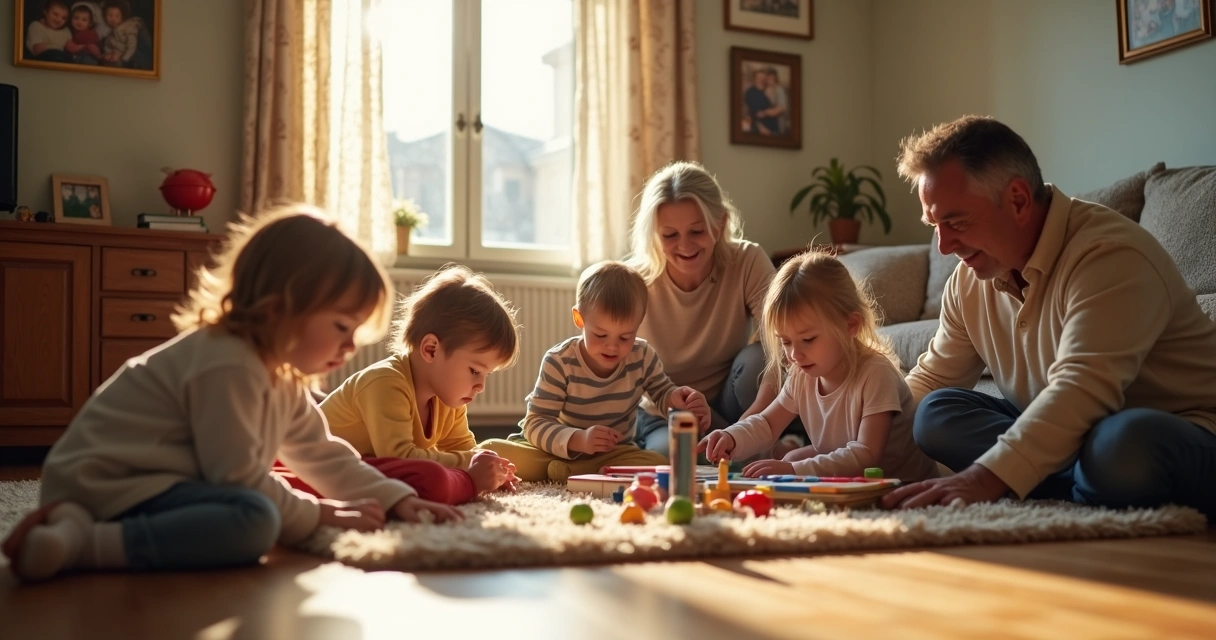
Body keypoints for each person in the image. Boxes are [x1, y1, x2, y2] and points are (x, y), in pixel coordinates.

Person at [0, 206, 462, 582]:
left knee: (259, 512)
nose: (349, 346)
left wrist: (396, 498)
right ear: (279, 308)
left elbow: (321, 453)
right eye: (342, 326)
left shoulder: (280, 376)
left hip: (153, 487)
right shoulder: (227, 362)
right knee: (255, 519)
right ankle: (86, 544)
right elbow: (236, 477)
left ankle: (80, 534)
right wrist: (320, 514)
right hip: (102, 484)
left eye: (356, 333)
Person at [880, 115, 1216, 519]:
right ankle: (1084, 484)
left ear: (1018, 200)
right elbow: (933, 378)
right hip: (1073, 433)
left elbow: (1083, 387)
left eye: (955, 222)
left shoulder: (1108, 254)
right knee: (936, 414)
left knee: (1120, 446)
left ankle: (1067, 478)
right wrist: (852, 450)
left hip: (1180, 428)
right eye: (934, 225)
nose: (944, 245)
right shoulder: (970, 279)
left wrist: (983, 478)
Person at [699, 250, 940, 482]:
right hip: (852, 477)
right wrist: (731, 437)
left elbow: (867, 454)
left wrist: (794, 469)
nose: (795, 354)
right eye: (785, 341)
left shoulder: (876, 373)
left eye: (808, 339)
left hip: (900, 483)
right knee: (792, 458)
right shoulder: (802, 374)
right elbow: (768, 423)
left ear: (850, 326)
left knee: (793, 463)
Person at [479, 261, 710, 481]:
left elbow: (661, 392)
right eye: (600, 335)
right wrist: (578, 439)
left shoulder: (642, 355)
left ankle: (570, 471)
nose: (612, 346)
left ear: (638, 324)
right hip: (557, 449)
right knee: (491, 450)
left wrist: (675, 397)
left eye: (625, 336)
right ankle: (573, 468)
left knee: (657, 461)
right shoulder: (559, 361)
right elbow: (535, 422)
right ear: (579, 319)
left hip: (614, 453)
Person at [319, 265, 521, 503]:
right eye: (475, 371)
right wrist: (472, 463)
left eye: (486, 375)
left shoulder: (448, 398)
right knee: (430, 476)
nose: (480, 386)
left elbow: (461, 447)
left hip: (369, 467)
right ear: (431, 349)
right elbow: (399, 457)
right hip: (323, 466)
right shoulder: (385, 382)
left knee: (430, 475)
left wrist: (491, 468)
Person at [627, 161, 787, 459]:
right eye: (670, 235)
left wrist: (751, 427)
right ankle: (760, 452)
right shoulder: (633, 282)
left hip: (731, 398)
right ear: (654, 235)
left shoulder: (747, 260)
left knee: (758, 359)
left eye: (697, 231)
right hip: (665, 410)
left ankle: (758, 445)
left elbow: (779, 344)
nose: (684, 246)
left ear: (720, 224)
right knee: (674, 460)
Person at [100, 0, 145, 68]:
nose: (113, 19)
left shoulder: (129, 28)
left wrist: (124, 58)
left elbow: (131, 46)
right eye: (110, 15)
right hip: (113, 54)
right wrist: (108, 53)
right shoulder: (111, 31)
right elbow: (107, 44)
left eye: (117, 16)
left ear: (122, 16)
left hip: (125, 56)